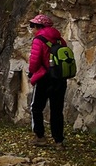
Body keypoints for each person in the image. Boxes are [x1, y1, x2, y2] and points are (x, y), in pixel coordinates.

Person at [26, 13, 68, 149]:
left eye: (33, 26)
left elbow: (34, 60)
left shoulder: (39, 40)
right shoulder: (60, 40)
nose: (32, 29)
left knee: (36, 107)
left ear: (39, 27)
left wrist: (32, 72)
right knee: (57, 110)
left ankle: (40, 136)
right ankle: (59, 141)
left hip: (44, 78)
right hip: (59, 78)